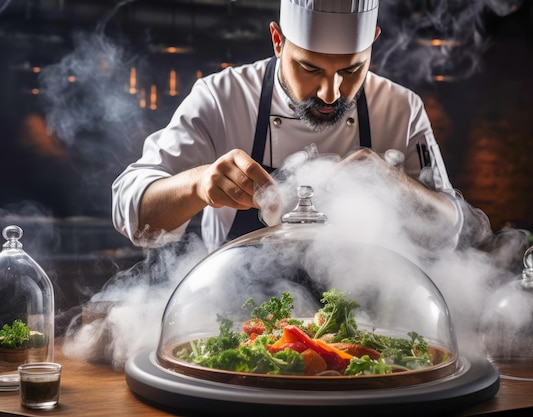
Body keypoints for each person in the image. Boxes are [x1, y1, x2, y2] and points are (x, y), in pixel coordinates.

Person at [112, 0, 469, 254]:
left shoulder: (400, 108)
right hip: (236, 318)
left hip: (365, 325)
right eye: (311, 69)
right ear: (277, 41)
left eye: (350, 71)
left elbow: (447, 234)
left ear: (372, 42)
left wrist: (392, 182)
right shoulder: (222, 97)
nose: (331, 93)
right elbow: (135, 217)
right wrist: (198, 184)